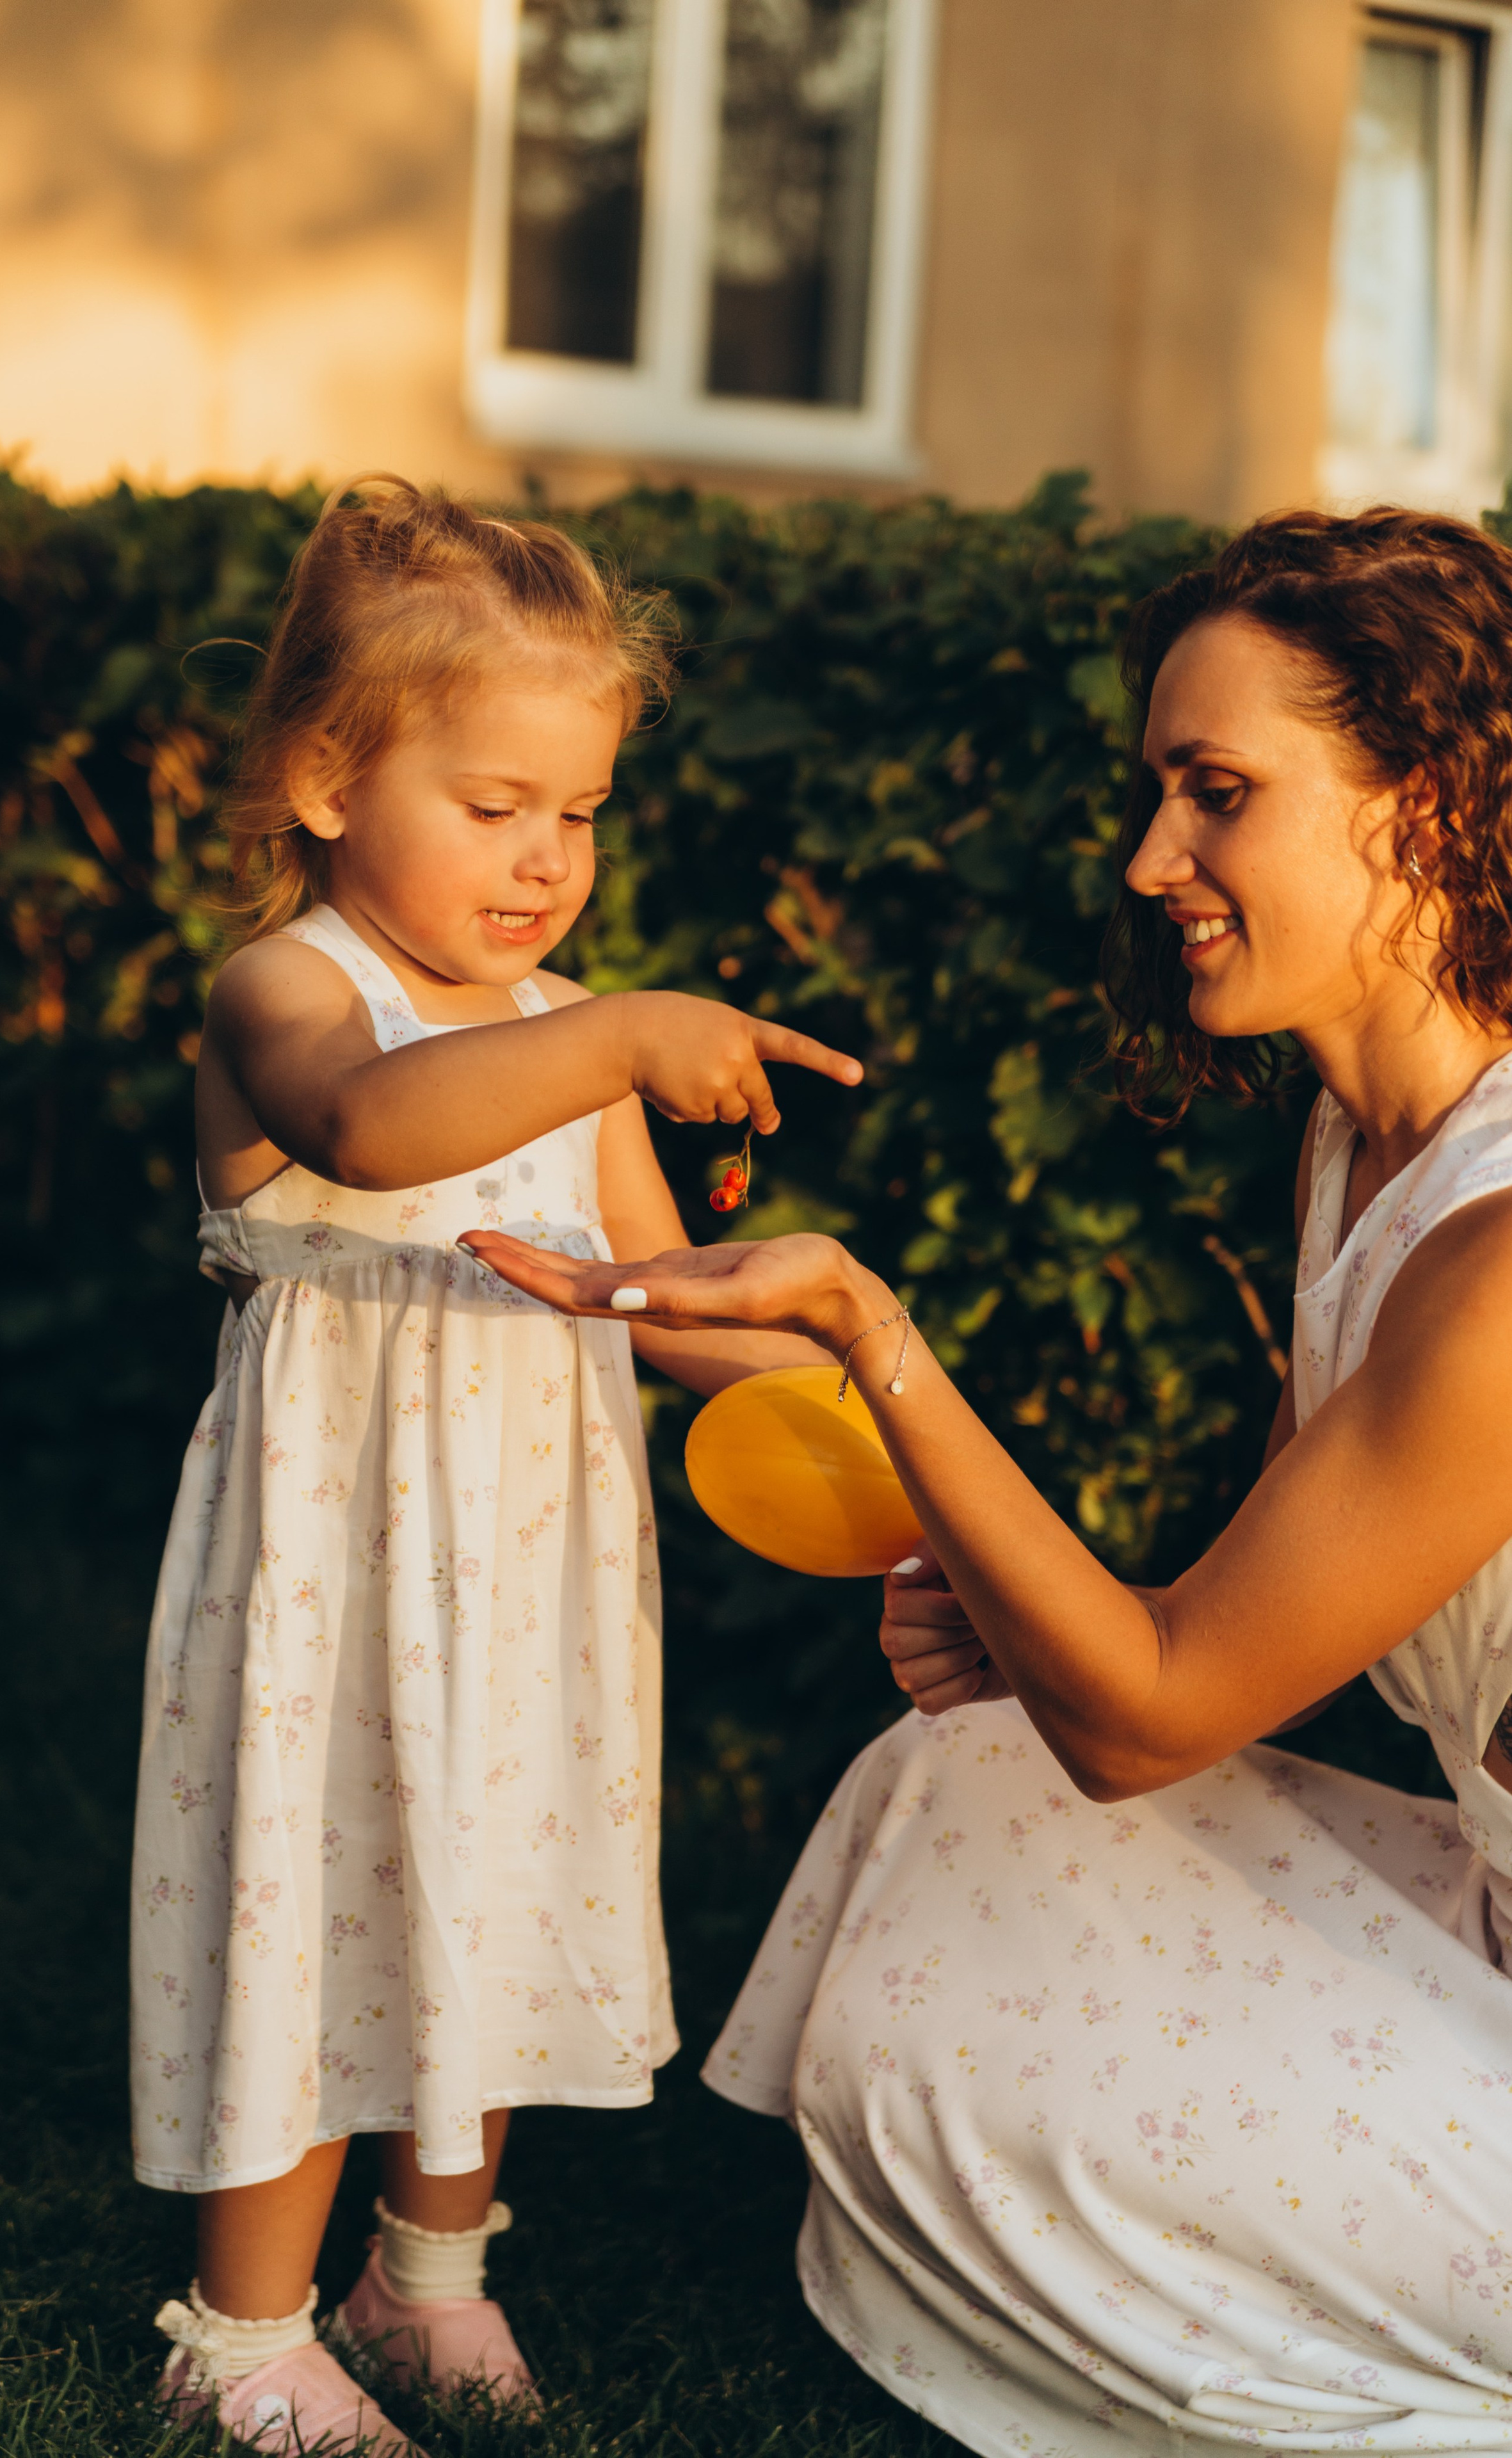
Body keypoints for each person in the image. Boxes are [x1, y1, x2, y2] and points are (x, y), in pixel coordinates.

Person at [465, 509, 1512, 2455]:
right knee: (959, 1784)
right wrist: (1034, 1617)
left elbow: (1157, 1722)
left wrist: (875, 1337)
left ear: (1427, 805)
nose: (1149, 861)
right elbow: (1197, 1642)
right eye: (1154, 791)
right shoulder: (1365, 1155)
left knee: (1033, 1887)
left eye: (1218, 794)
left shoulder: (1504, 1259)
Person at [132, 478, 861, 2456]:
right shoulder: (296, 992)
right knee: (322, 1887)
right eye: (495, 806)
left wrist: (815, 1350)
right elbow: (375, 1132)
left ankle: (426, 2274)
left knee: (493, 1868)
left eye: (584, 813)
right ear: (320, 778)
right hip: (340, 1575)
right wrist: (621, 1031)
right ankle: (244, 2328)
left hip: (527, 1578)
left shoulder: (566, 1032)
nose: (547, 862)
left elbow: (655, 1297)